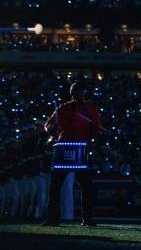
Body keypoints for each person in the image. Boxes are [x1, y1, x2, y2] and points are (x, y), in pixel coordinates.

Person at [43, 82, 101, 226]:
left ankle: (87, 219)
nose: (80, 94)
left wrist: (96, 131)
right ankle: (52, 218)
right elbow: (47, 125)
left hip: (81, 150)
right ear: (72, 93)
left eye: (82, 91)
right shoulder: (63, 107)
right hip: (64, 148)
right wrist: (52, 128)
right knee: (55, 185)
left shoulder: (90, 109)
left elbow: (97, 129)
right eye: (77, 92)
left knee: (86, 186)